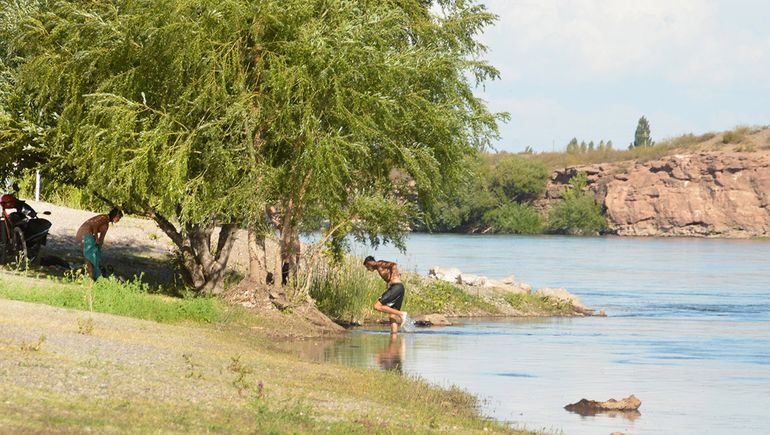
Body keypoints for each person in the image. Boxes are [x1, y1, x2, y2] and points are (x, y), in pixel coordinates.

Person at [364, 255, 408, 334]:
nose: (368, 270)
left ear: (369, 263)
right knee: (392, 315)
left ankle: (402, 314)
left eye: (367, 267)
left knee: (377, 306)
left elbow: (393, 264)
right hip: (400, 288)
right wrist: (389, 282)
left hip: (396, 287)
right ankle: (394, 335)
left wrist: (392, 277)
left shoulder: (379, 263)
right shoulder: (378, 267)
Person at [75, 208, 122, 280]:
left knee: (95, 257)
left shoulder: (106, 224)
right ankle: (90, 278)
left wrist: (99, 249)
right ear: (115, 216)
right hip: (85, 234)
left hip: (89, 236)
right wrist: (96, 238)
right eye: (119, 217)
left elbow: (102, 238)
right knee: (90, 258)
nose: (119, 220)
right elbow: (94, 225)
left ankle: (94, 276)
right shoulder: (104, 217)